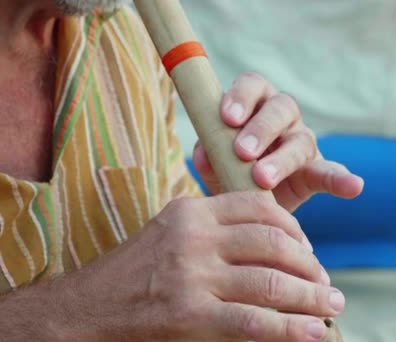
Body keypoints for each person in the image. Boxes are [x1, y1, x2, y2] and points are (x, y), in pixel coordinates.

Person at [0, 0, 364, 341]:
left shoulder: (127, 40)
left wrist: (245, 227)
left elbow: (171, 287)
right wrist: (79, 311)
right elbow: (130, 293)